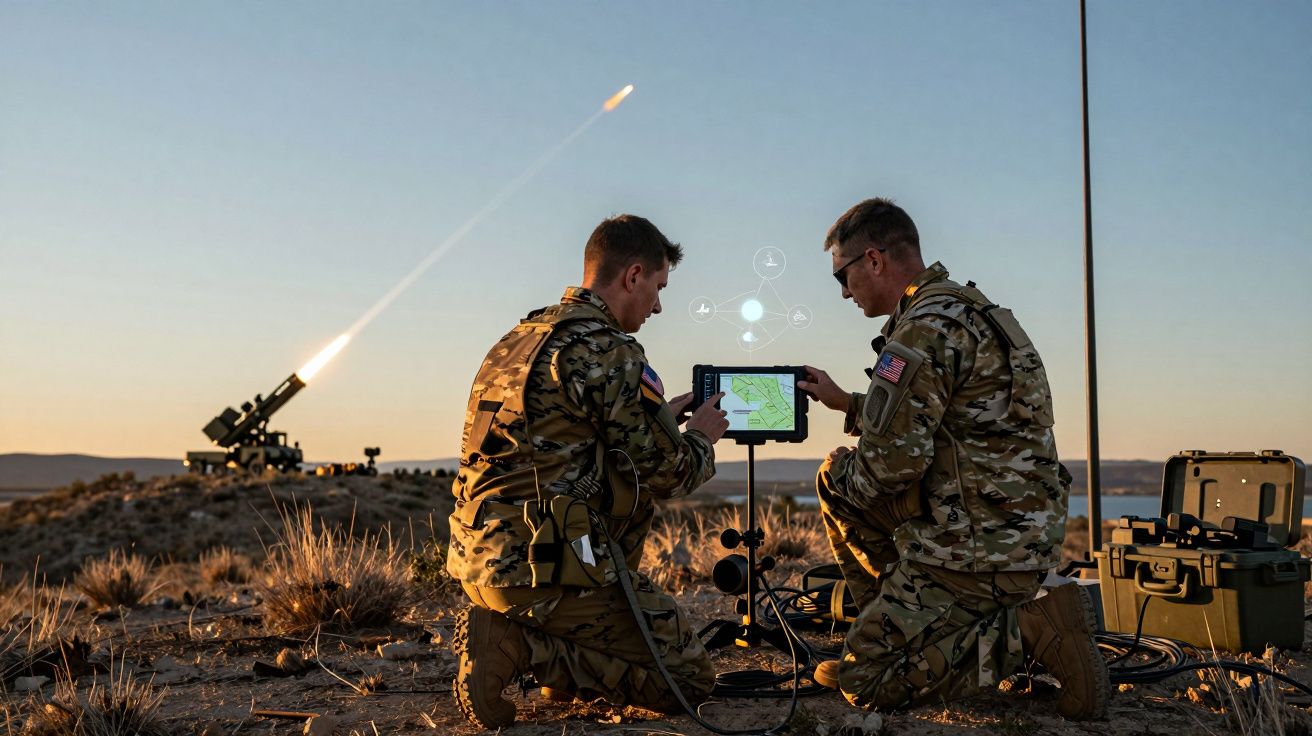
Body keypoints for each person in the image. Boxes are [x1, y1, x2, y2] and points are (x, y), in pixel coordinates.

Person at [797, 198, 1109, 720]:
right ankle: (906, 629)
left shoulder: (920, 330)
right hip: (1021, 539)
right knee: (848, 476)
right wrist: (851, 405)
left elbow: (885, 471)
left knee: (863, 680)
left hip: (970, 552)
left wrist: (847, 467)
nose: (844, 293)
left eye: (842, 277)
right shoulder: (973, 309)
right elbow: (962, 426)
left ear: (873, 260)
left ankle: (1027, 633)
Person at [446, 214, 730, 730]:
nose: (659, 305)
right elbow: (668, 475)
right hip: (549, 571)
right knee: (688, 682)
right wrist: (700, 438)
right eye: (659, 288)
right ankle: (521, 645)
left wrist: (662, 416)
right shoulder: (607, 349)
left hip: (482, 561)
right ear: (633, 275)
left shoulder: (518, 339)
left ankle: (549, 649)